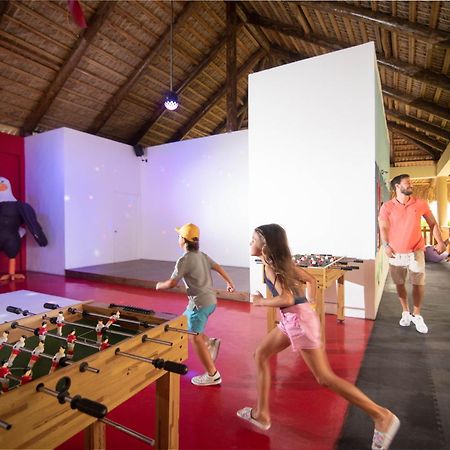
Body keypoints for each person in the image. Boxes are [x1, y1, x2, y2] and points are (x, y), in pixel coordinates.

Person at [237, 224, 400, 450]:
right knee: (260, 354)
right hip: (293, 320)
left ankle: (382, 416)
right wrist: (310, 305)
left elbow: (285, 298)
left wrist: (260, 301)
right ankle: (262, 414)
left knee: (324, 378)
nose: (250, 243)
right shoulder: (279, 263)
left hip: (298, 322)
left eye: (253, 239)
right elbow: (311, 281)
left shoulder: (272, 268)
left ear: (264, 246)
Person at [156, 223, 235, 386]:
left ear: (184, 240)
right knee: (184, 325)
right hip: (209, 301)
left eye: (179, 236)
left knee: (195, 337)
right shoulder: (202, 255)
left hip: (200, 305)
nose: (178, 238)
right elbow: (218, 267)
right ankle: (210, 342)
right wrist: (229, 282)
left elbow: (171, 283)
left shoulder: (183, 260)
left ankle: (213, 374)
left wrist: (159, 285)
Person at [378, 174, 446, 333]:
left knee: (418, 283)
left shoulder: (420, 203)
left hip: (416, 251)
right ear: (397, 187)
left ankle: (417, 314)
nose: (411, 185)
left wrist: (441, 242)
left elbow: (432, 223)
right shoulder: (387, 207)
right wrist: (386, 245)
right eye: (407, 183)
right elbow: (383, 228)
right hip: (395, 253)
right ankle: (405, 312)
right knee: (400, 284)